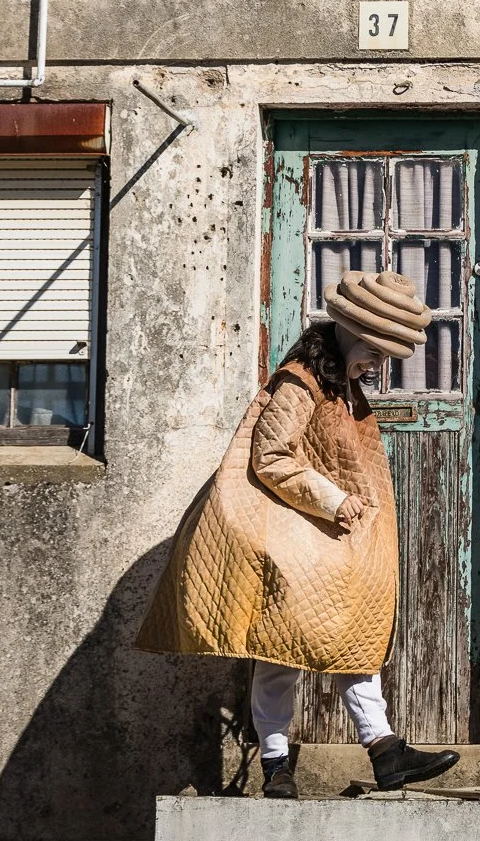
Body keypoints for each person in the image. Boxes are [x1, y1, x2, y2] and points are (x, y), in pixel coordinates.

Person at [137, 269, 461, 799]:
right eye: (374, 352)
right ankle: (278, 766)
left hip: (320, 541)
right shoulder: (300, 382)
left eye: (384, 355)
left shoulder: (340, 386)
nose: (377, 364)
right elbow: (271, 456)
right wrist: (334, 500)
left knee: (353, 639)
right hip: (291, 541)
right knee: (278, 656)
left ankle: (383, 750)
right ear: (350, 334)